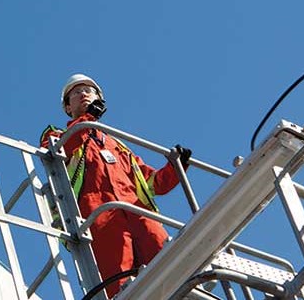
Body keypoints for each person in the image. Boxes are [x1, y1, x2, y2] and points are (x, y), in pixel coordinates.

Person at [39, 73, 192, 296]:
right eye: (75, 92)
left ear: (100, 100)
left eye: (88, 91)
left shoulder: (117, 145)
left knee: (167, 261)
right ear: (67, 108)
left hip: (137, 210)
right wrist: (86, 121)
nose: (83, 94)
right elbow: (55, 152)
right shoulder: (58, 135)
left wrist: (176, 166)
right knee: (118, 279)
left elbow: (154, 183)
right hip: (95, 211)